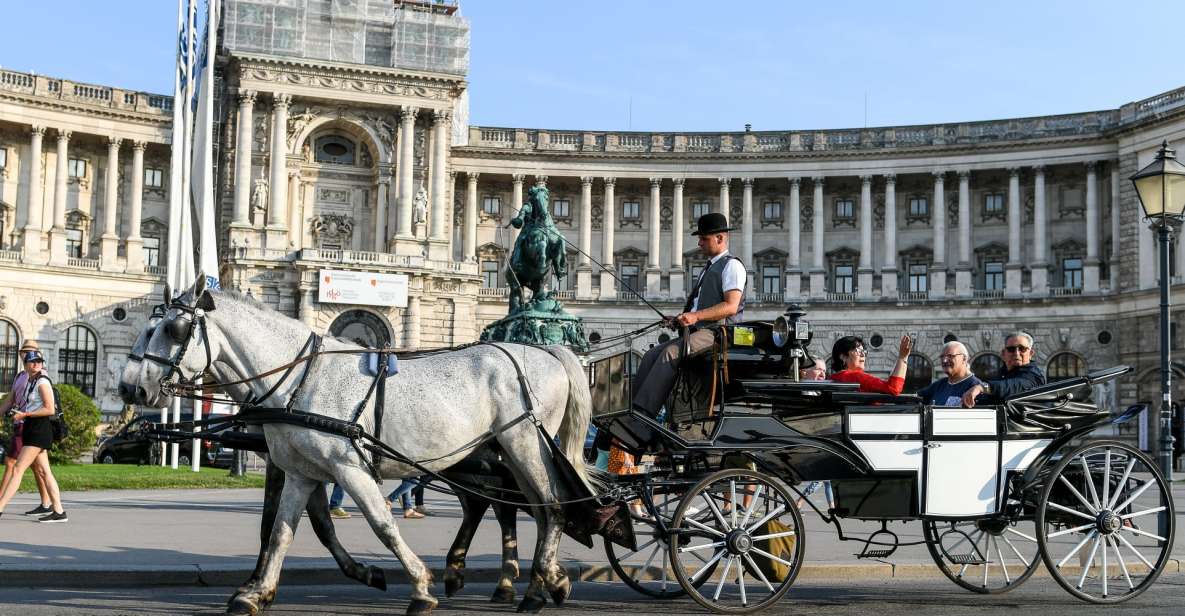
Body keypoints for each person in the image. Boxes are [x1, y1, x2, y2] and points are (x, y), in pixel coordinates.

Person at [632, 212, 746, 416]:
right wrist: (679, 319)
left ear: (720, 238)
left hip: (718, 333)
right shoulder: (708, 268)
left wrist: (696, 317)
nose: (700, 243)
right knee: (650, 355)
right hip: (697, 332)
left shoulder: (732, 266)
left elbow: (731, 306)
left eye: (704, 238)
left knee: (671, 354)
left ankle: (644, 415)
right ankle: (632, 408)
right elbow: (697, 307)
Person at [0, 350, 67, 522]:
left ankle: (0, 507)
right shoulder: (30, 380)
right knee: (45, 472)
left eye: (39, 361)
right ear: (26, 364)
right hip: (32, 428)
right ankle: (59, 511)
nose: (36, 364)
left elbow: (49, 409)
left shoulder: (42, 382)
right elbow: (12, 401)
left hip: (39, 429)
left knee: (17, 469)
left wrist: (25, 415)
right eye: (33, 361)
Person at [962, 332, 1046, 406]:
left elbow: (1012, 386)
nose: (1016, 353)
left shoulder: (1034, 376)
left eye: (1022, 349)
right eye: (1011, 349)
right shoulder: (1001, 374)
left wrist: (982, 387)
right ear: (1003, 353)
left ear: (1031, 353)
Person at [830, 334, 912, 395]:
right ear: (843, 356)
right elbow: (894, 388)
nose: (863, 355)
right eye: (858, 351)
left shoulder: (832, 379)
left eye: (864, 352)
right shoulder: (856, 377)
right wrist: (903, 357)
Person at [917, 341, 983, 406]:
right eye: (942, 356)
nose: (944, 360)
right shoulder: (938, 385)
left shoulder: (975, 388)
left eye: (950, 356)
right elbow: (913, 399)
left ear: (964, 359)